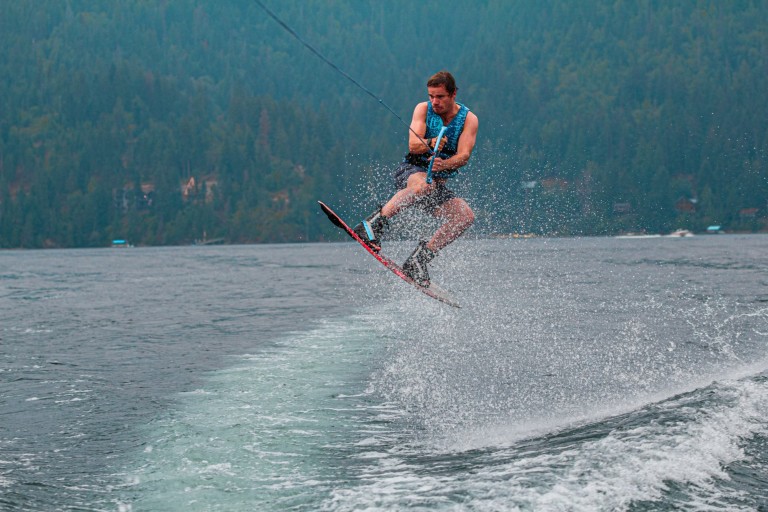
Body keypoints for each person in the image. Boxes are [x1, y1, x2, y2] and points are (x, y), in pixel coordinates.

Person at [353, 70, 479, 286]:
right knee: (423, 186)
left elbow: (464, 156)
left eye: (440, 96)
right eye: (431, 96)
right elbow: (413, 144)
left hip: (436, 183)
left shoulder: (469, 119)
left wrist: (444, 164)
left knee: (465, 216)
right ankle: (371, 225)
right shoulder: (423, 109)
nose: (434, 101)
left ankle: (419, 260)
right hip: (411, 171)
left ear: (453, 94)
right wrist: (430, 143)